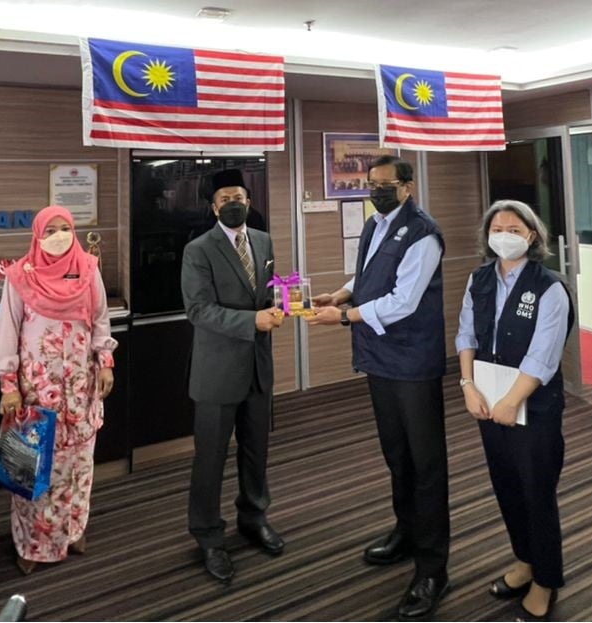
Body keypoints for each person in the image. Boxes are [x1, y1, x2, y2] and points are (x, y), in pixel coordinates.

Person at [309, 155, 450, 619]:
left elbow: (404, 300)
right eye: (371, 184)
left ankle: (433, 568)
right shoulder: (375, 225)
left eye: (386, 185)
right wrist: (343, 292)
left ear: (407, 187)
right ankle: (406, 532)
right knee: (397, 454)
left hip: (413, 362)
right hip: (379, 358)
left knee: (426, 464)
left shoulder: (424, 233)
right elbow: (371, 274)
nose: (376, 191)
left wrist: (344, 316)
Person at [456, 201, 573, 621]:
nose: (504, 235)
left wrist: (512, 401)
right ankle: (525, 561)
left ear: (532, 236)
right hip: (487, 401)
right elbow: (466, 335)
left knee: (536, 492)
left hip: (533, 407)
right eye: (497, 229)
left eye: (514, 229)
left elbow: (544, 355)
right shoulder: (479, 279)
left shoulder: (550, 287)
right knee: (506, 486)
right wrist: (467, 385)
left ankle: (546, 580)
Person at [0, 205, 117, 575]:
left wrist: (106, 362)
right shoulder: (21, 276)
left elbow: (100, 320)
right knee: (33, 469)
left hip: (81, 389)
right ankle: (31, 545)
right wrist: (8, 386)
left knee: (79, 466)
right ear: (37, 235)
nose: (59, 236)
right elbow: (7, 332)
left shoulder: (88, 269)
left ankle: (72, 530)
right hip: (37, 394)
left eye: (65, 228)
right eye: (50, 230)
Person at [181, 168, 284, 584]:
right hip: (217, 372)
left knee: (256, 451)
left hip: (258, 368)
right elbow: (198, 310)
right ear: (214, 207)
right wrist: (252, 321)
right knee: (210, 458)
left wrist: (287, 299)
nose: (233, 204)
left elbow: (268, 290)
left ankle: (254, 517)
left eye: (238, 197)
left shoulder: (263, 240)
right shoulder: (198, 250)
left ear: (249, 201)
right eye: (225, 199)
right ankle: (208, 535)